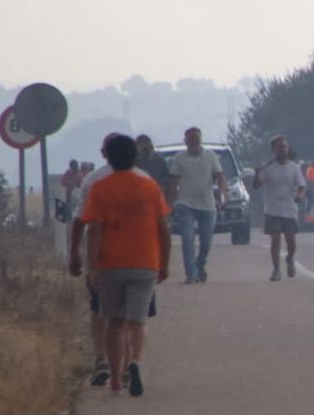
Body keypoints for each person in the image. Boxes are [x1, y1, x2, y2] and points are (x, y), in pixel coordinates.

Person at [80, 134, 171, 396]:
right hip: (145, 261)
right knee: (137, 321)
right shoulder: (149, 186)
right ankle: (136, 362)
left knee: (115, 323)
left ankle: (117, 379)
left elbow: (94, 231)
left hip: (111, 264)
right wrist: (163, 263)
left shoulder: (100, 188)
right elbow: (163, 229)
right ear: (135, 156)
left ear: (108, 156)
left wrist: (92, 266)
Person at [168, 126, 226, 283]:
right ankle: (191, 274)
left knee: (206, 241)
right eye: (190, 138)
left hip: (207, 204)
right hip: (185, 203)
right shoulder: (179, 158)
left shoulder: (210, 156)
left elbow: (220, 177)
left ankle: (200, 264)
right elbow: (173, 182)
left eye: (196, 137)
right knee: (187, 237)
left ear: (200, 139)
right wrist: (170, 203)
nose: (193, 140)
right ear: (185, 141)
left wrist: (222, 197)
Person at [254, 135, 307, 280]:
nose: (282, 149)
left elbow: (302, 186)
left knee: (291, 240)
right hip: (272, 209)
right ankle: (276, 270)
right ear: (273, 149)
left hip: (289, 209)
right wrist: (258, 172)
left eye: (284, 146)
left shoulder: (294, 168)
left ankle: (290, 258)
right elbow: (256, 185)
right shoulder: (269, 168)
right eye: (279, 147)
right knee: (275, 239)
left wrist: (299, 196)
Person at [134, 134, 173, 203]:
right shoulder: (132, 162)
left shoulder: (159, 159)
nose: (145, 149)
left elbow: (167, 180)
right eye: (142, 146)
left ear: (151, 146)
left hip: (158, 195)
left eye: (147, 145)